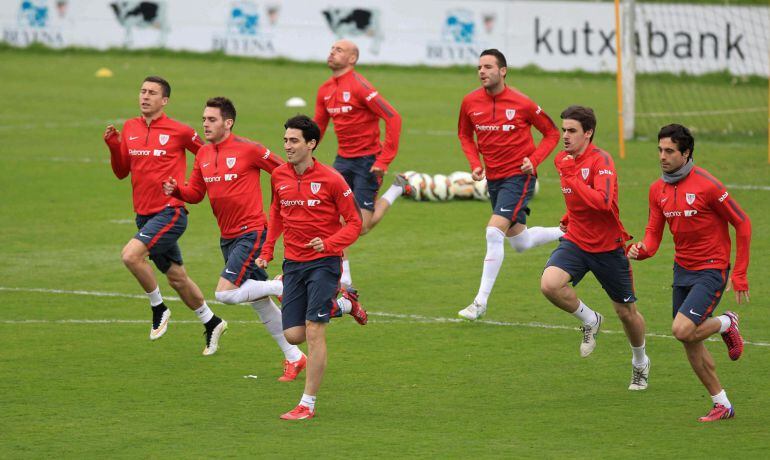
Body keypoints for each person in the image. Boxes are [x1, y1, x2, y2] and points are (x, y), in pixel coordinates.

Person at [162, 97, 306, 381]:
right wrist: (176, 190)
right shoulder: (203, 154)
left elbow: (283, 169)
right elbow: (196, 194)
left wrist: (289, 204)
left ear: (228, 123)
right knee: (259, 302)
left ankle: (281, 285)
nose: (205, 124)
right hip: (227, 237)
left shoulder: (248, 149)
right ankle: (295, 357)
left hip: (251, 231)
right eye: (203, 119)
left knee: (225, 293)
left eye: (212, 119)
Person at [628, 124, 750, 421]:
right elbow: (654, 237)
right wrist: (639, 250)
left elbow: (742, 223)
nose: (663, 156)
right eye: (660, 150)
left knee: (682, 329)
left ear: (686, 153)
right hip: (682, 270)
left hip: (712, 268)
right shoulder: (657, 190)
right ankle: (722, 403)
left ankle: (725, 322)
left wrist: (740, 274)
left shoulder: (708, 185)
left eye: (669, 151)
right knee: (689, 339)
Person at [103, 76, 226, 355]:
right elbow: (122, 171)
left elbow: (208, 153)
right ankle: (211, 321)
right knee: (177, 278)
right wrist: (113, 145)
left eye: (152, 93)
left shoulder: (180, 131)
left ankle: (158, 307)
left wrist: (196, 185)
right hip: (144, 216)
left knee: (131, 256)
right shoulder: (131, 127)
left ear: (164, 100)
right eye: (142, 91)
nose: (145, 96)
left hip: (170, 212)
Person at [257, 115, 363, 420]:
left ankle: (308, 404)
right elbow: (276, 211)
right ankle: (344, 303)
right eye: (286, 140)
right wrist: (268, 249)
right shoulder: (278, 176)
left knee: (315, 331)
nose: (287, 146)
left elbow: (355, 223)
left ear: (311, 144)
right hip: (293, 264)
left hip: (325, 263)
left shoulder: (332, 179)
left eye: (294, 141)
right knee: (293, 335)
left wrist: (329, 244)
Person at [540, 106, 650, 390]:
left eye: (572, 131)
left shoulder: (602, 161)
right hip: (576, 240)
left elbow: (602, 202)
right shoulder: (563, 160)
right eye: (564, 130)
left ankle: (640, 362)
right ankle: (590, 319)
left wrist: (573, 177)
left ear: (588, 133)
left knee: (627, 313)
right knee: (550, 285)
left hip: (607, 247)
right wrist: (568, 217)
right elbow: (575, 199)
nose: (565, 136)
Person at [457, 49, 562, 320]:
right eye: (479, 67)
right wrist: (474, 163)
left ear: (502, 71)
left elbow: (551, 133)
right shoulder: (470, 102)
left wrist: (534, 160)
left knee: (494, 233)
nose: (482, 71)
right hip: (494, 179)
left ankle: (480, 302)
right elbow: (464, 135)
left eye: (488, 66)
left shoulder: (522, 103)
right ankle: (569, 234)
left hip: (520, 177)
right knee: (520, 242)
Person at [315, 39, 406, 289]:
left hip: (368, 162)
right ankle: (343, 278)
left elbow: (393, 117)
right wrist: (303, 150)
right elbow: (318, 126)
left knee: (361, 227)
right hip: (342, 161)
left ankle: (397, 189)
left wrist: (384, 159)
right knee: (332, 219)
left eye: (339, 50)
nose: (332, 52)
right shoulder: (324, 90)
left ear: (353, 58)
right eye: (332, 48)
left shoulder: (360, 86)